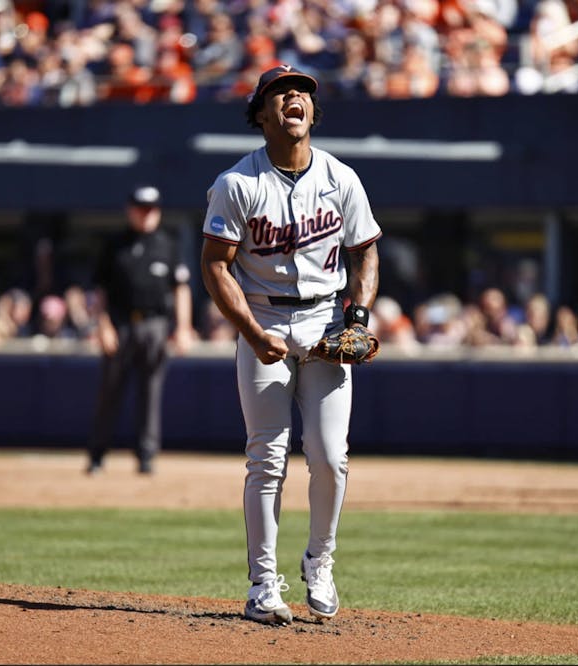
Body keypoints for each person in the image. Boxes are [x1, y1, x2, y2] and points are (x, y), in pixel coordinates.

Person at [199, 64, 382, 626]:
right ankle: (261, 584)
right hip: (263, 318)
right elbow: (214, 267)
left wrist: (358, 314)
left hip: (326, 322)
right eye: (279, 93)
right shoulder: (237, 184)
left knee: (330, 458)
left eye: (301, 91)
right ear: (260, 114)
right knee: (268, 458)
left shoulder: (341, 178)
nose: (293, 98)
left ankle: (319, 563)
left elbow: (366, 252)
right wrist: (252, 334)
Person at [86, 184, 197, 476]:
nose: (146, 215)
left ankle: (146, 456)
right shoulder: (114, 245)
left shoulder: (168, 244)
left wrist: (183, 327)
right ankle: (97, 454)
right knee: (109, 392)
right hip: (120, 324)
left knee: (151, 392)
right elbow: (99, 291)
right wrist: (103, 325)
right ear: (130, 210)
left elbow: (181, 288)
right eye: (141, 209)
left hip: (155, 324)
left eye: (152, 210)